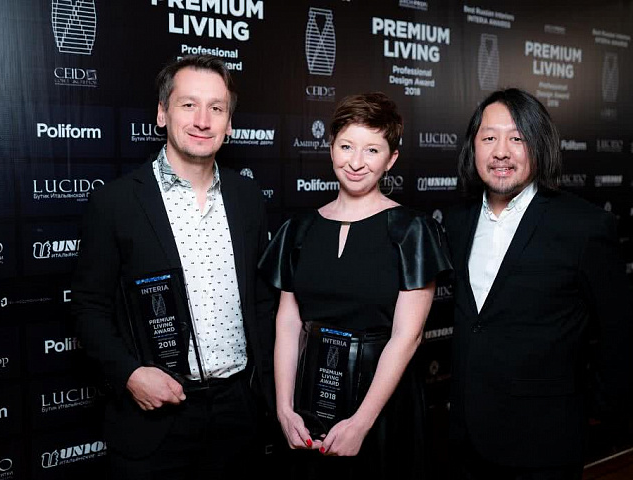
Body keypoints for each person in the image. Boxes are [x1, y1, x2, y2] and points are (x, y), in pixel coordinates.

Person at [70, 54, 275, 480]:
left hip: (239, 413)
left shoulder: (248, 198)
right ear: (162, 114)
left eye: (216, 108)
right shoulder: (115, 203)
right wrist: (130, 375)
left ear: (229, 123)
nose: (202, 120)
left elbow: (261, 302)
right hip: (154, 418)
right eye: (188, 105)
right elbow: (89, 307)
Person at [258, 92, 452, 479]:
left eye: (372, 150)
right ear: (331, 146)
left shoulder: (412, 230)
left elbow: (408, 336)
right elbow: (288, 323)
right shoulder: (299, 229)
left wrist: (361, 423)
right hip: (311, 399)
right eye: (346, 146)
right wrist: (284, 408)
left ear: (391, 159)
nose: (356, 162)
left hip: (381, 405)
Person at [444, 87, 633, 479]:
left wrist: (594, 409)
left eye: (517, 138)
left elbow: (620, 330)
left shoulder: (584, 226)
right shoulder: (457, 220)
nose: (501, 152)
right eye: (489, 138)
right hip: (464, 439)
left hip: (544, 443)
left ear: (539, 145)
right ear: (473, 146)